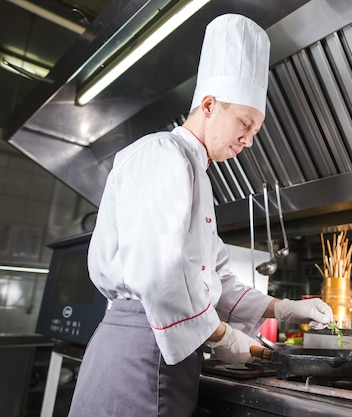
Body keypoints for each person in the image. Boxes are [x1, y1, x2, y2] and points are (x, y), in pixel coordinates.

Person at [68, 14, 332, 417]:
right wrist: (224, 337)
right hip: (140, 351)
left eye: (255, 131)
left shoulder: (198, 176)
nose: (248, 139)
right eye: (244, 123)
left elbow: (212, 280)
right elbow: (160, 276)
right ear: (208, 104)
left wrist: (281, 308)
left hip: (171, 355)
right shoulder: (161, 156)